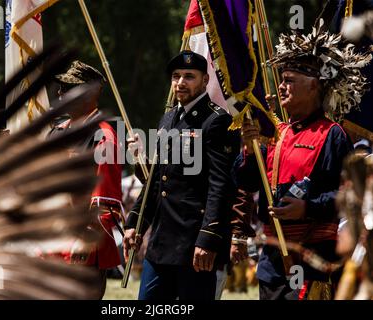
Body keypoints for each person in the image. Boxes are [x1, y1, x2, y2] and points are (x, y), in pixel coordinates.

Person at [236, 26, 371, 300]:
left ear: (314, 85)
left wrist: (307, 207)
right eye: (281, 80)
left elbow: (349, 197)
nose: (281, 87)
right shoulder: (276, 132)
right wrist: (249, 151)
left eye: (289, 80)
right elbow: (244, 181)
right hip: (272, 260)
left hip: (313, 258)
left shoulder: (333, 134)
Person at [123, 50, 240, 300]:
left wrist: (208, 239)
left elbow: (220, 186)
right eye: (176, 76)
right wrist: (136, 223)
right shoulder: (168, 119)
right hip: (161, 242)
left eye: (189, 76)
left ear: (205, 80)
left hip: (193, 244)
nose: (180, 82)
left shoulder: (217, 121)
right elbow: (157, 180)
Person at [46, 60, 124, 299]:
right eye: (61, 87)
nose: (60, 93)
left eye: (68, 88)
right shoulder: (56, 132)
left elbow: (105, 197)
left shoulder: (104, 136)